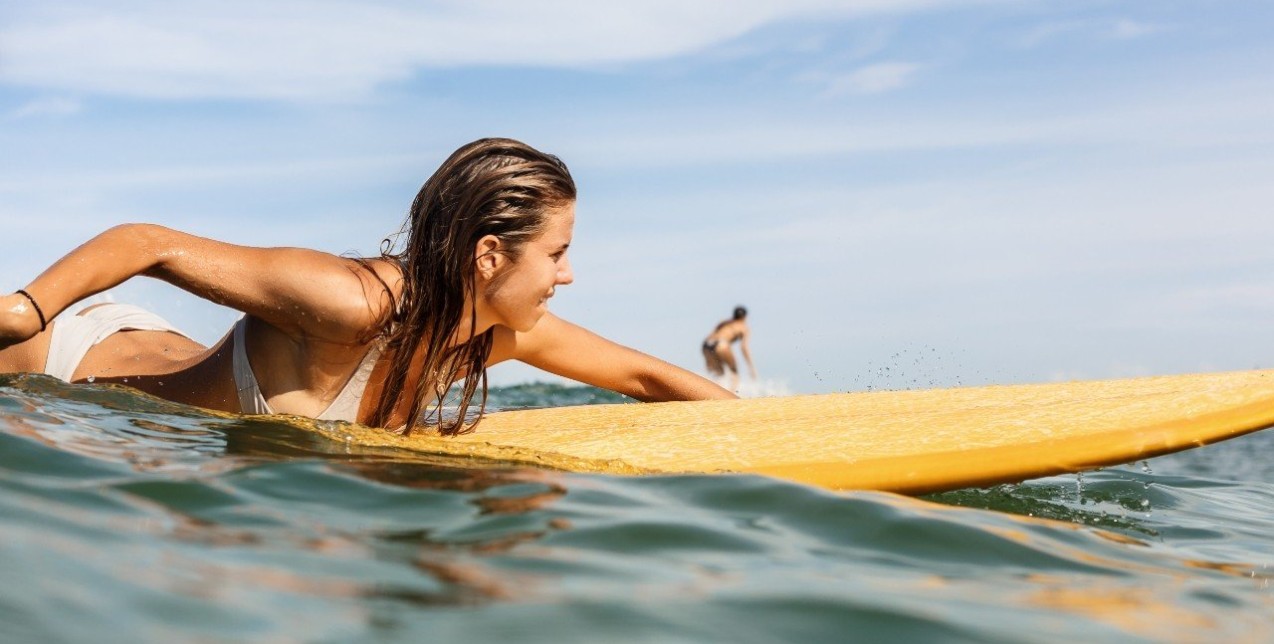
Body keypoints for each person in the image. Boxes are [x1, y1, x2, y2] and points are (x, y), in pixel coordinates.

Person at [0, 138, 735, 435]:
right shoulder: (350, 303)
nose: (567, 274)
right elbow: (145, 243)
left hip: (162, 358)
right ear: (489, 257)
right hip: (63, 358)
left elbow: (645, 377)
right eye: (557, 253)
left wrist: (767, 440)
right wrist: (27, 311)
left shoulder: (490, 336)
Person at [701, 306, 756, 391]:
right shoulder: (743, 327)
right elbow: (744, 347)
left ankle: (709, 391)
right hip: (721, 344)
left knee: (719, 373)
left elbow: (711, 335)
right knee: (734, 372)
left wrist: (707, 360)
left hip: (706, 345)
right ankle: (732, 393)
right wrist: (751, 367)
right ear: (745, 317)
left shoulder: (724, 322)